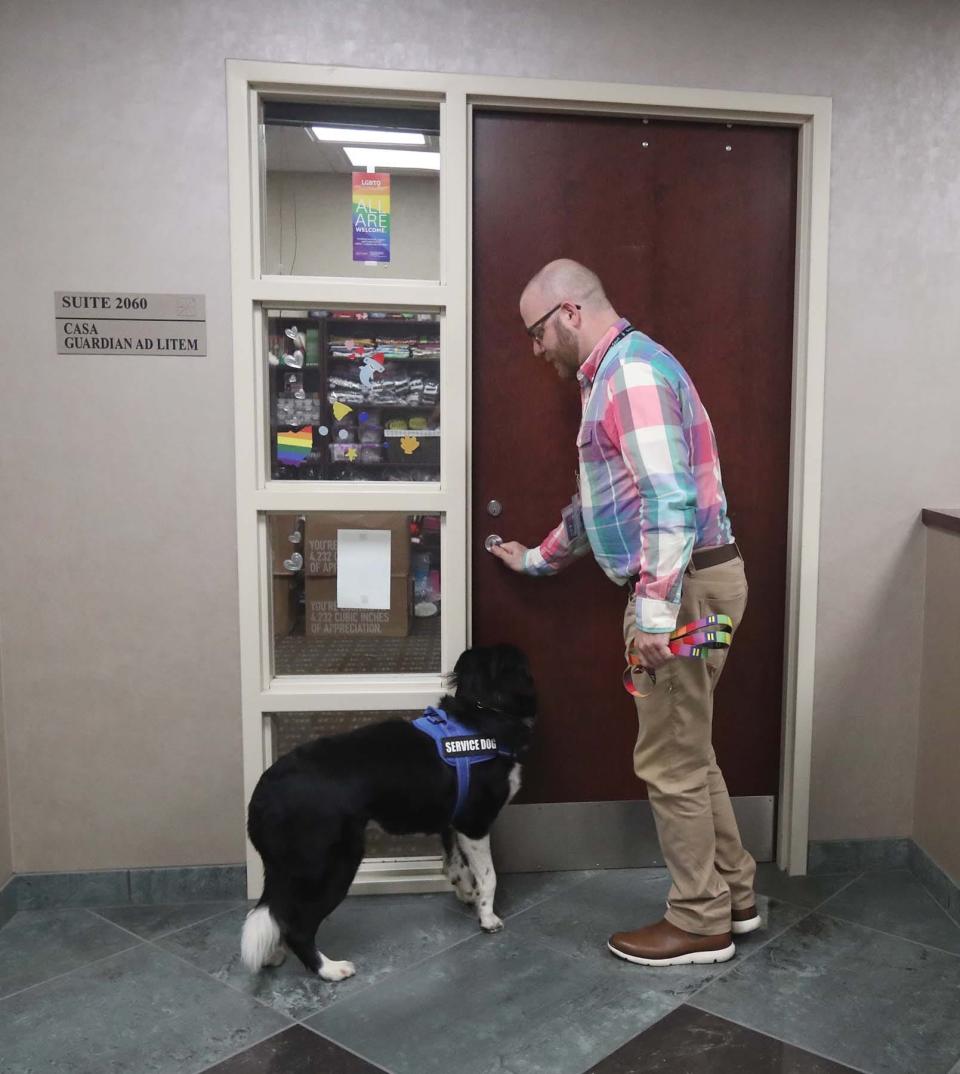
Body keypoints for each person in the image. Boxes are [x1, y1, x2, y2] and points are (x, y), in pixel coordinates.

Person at [489, 259, 761, 967]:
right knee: (688, 748)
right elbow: (604, 506)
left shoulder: (630, 376)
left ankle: (700, 921)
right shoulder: (618, 376)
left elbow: (669, 501)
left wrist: (651, 615)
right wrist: (538, 558)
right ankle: (734, 894)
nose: (535, 348)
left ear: (570, 313)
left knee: (668, 757)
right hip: (702, 587)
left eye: (537, 332)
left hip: (682, 594)